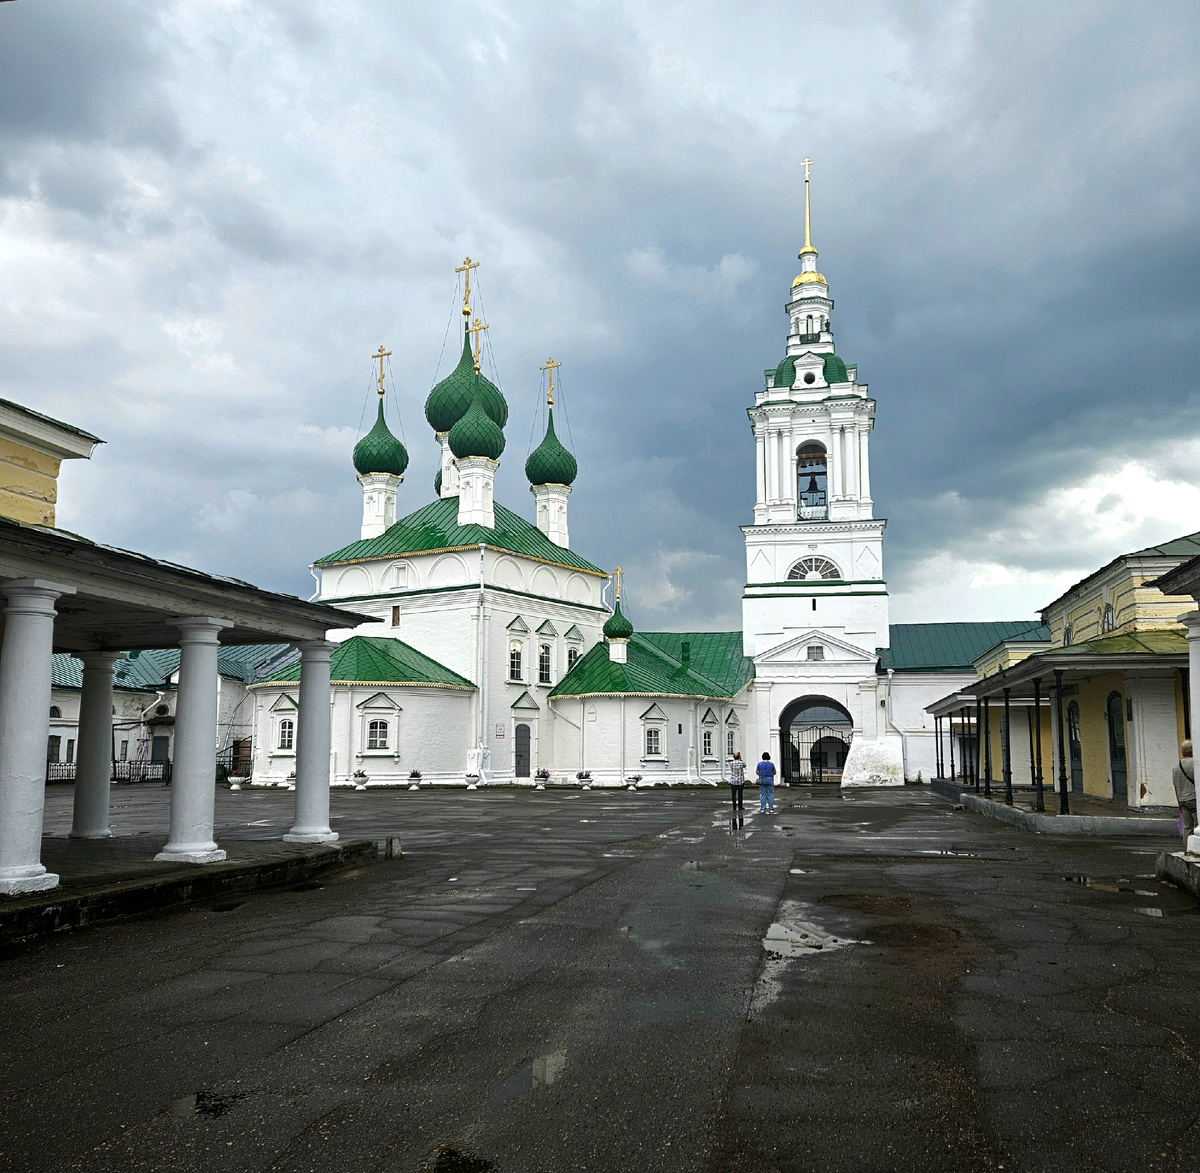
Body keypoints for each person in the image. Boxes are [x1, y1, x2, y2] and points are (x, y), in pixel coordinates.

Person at [1172, 739, 1196, 842]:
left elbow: (1176, 787)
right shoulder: (1195, 764)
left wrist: (1179, 803)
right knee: (1197, 826)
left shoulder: (1176, 767)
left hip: (1183, 800)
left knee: (1187, 827)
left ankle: (1187, 849)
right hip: (1194, 799)